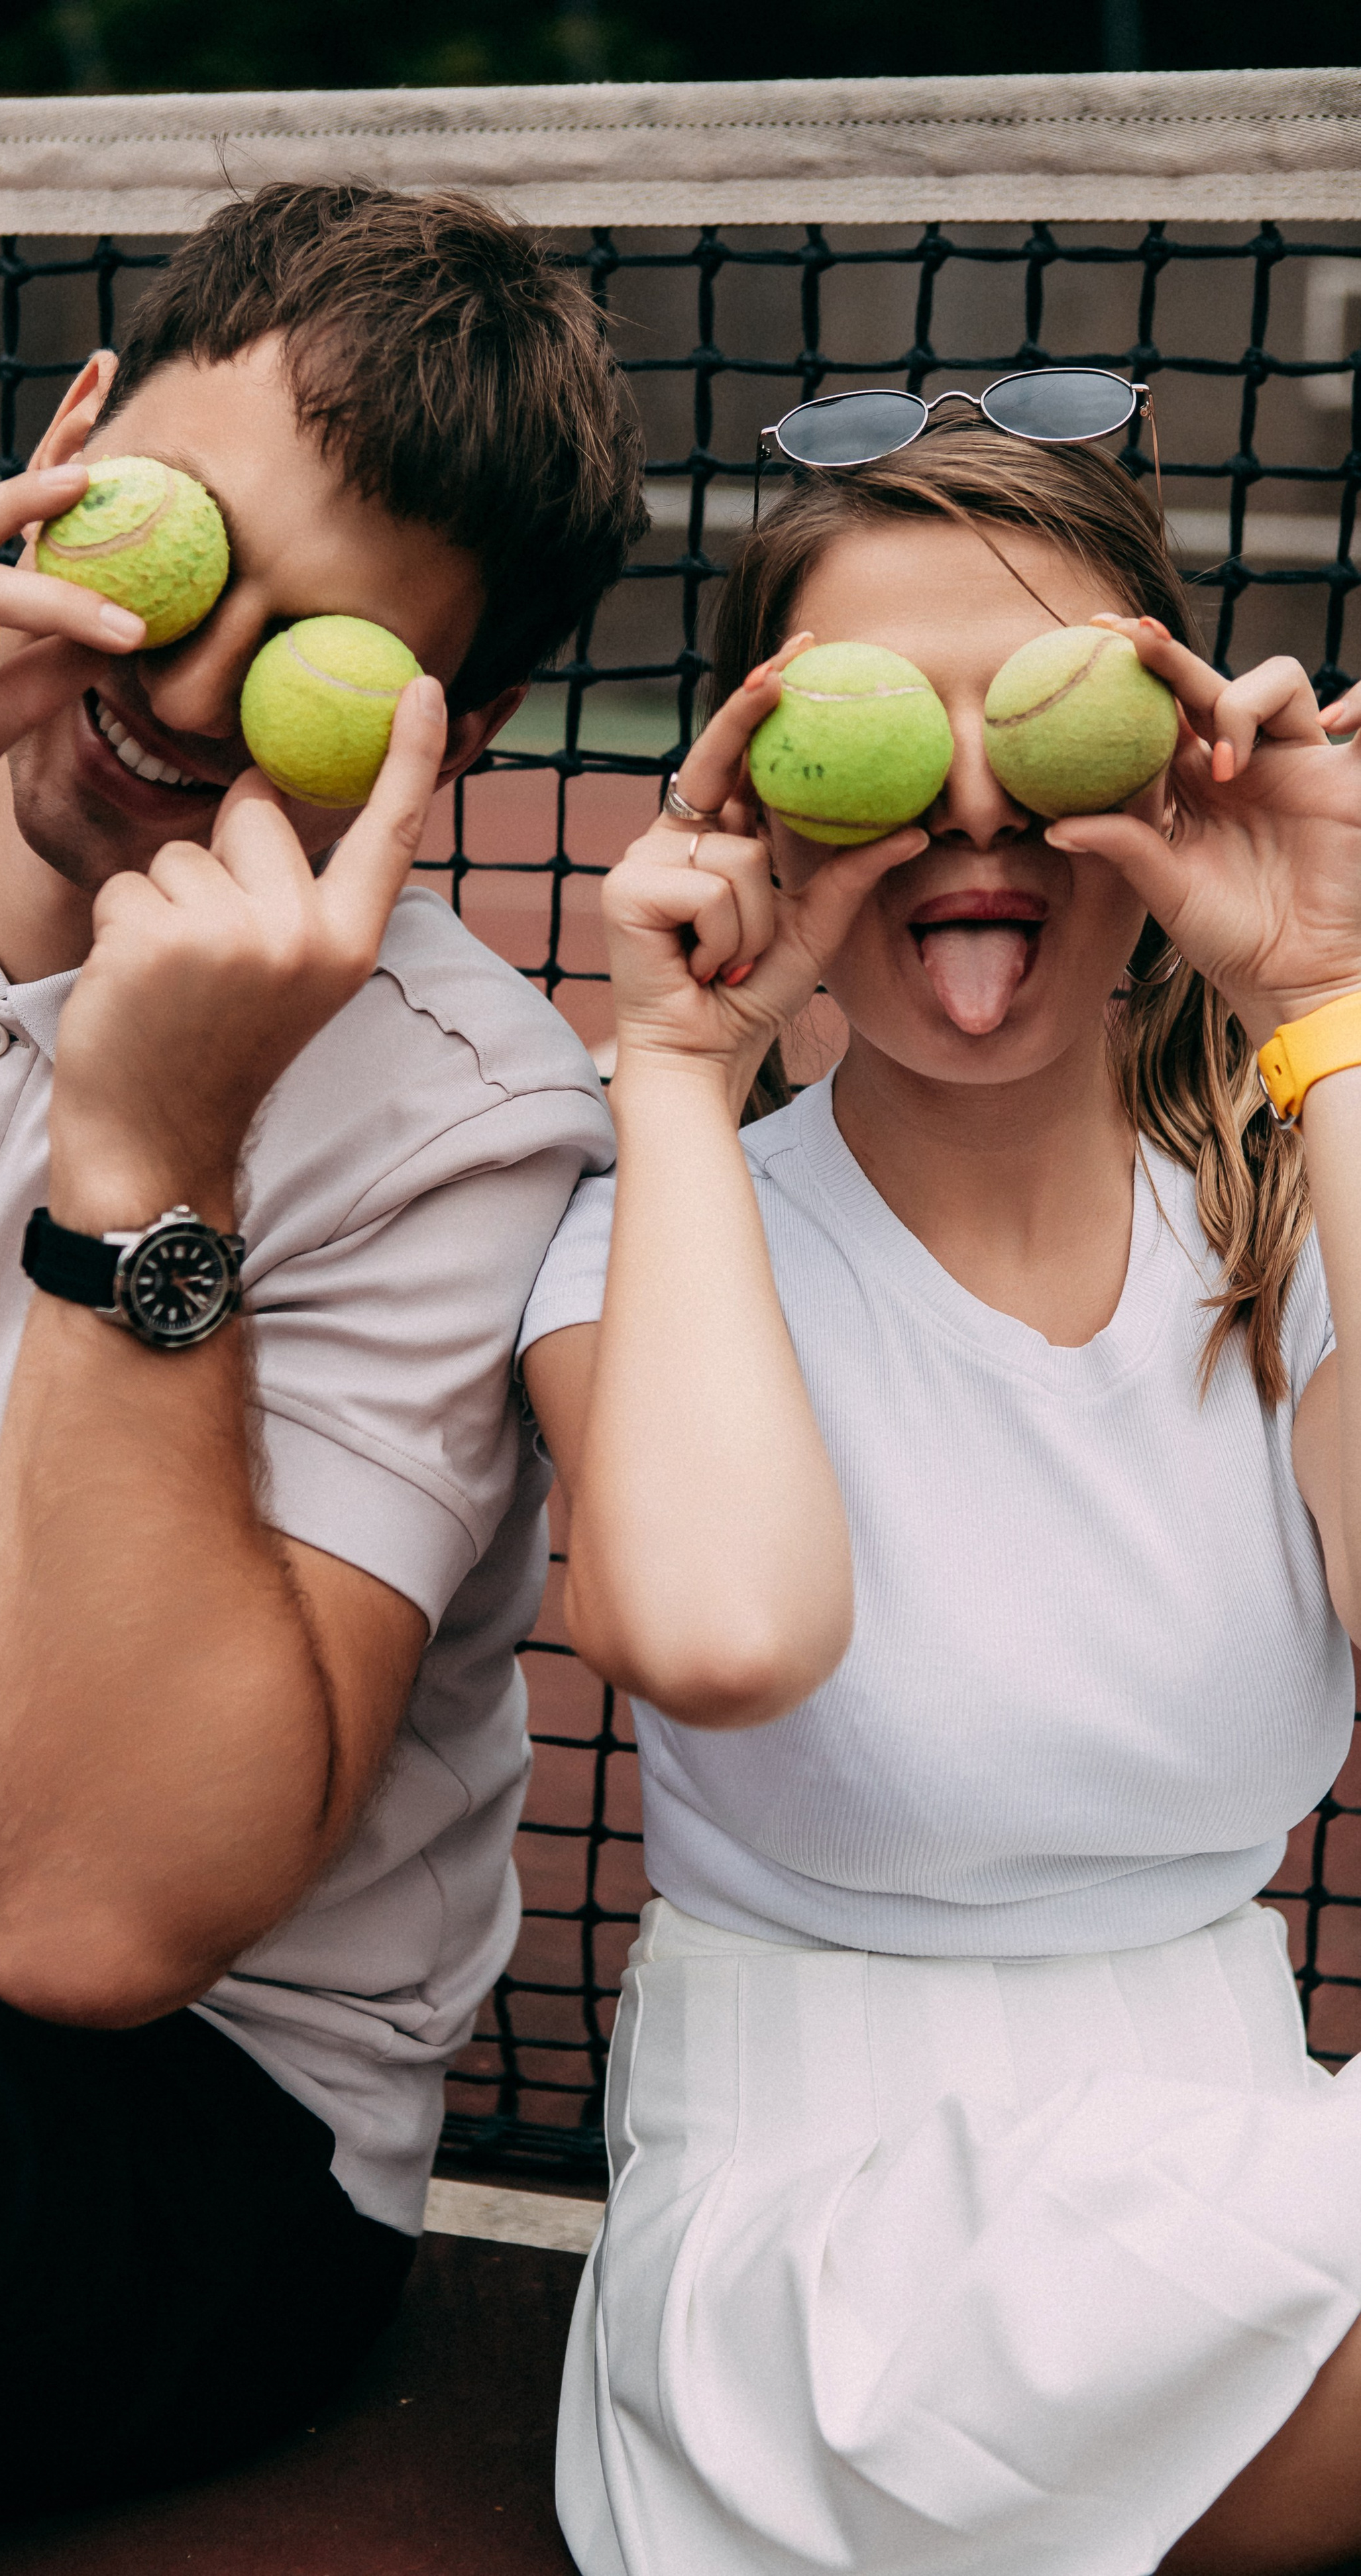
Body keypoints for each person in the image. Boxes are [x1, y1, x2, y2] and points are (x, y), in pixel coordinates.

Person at [0, 181, 640, 2572]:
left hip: (181, 2092)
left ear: (468, 735)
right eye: (177, 556)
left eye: (316, 663)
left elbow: (100, 1931)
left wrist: (149, 1158)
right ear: (77, 429)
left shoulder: (473, 1116)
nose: (188, 696)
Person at [519, 415, 1361, 2576]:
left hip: (1263, 2189)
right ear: (758, 798)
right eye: (894, 737)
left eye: (1047, 722)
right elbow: (718, 1636)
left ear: (1176, 767)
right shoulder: (666, 1239)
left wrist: (1324, 1007)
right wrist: (680, 1069)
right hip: (835, 2282)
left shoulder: (1289, 1232)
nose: (979, 804)